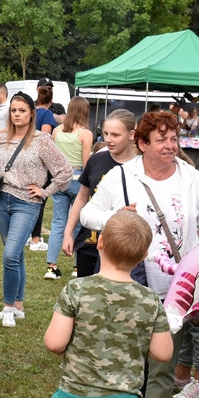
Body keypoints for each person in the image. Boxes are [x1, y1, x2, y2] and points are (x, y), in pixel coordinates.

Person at [80, 110, 199, 398]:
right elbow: (87, 214)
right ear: (141, 143)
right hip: (130, 283)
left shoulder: (190, 177)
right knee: (117, 352)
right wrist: (114, 217)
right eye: (162, 139)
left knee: (163, 360)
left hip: (177, 287)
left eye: (173, 138)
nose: (171, 146)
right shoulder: (121, 176)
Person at [44, 210, 173, 398]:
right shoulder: (149, 299)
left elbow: (54, 343)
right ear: (142, 256)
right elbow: (163, 353)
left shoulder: (77, 290)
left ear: (99, 242)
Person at [0, 93, 72, 326]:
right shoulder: (3, 138)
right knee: (14, 254)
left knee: (9, 254)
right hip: (2, 200)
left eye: (22, 110)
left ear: (31, 113)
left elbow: (64, 171)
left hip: (26, 203)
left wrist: (45, 191)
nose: (16, 114)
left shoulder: (41, 140)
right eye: (13, 110)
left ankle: (7, 307)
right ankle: (18, 305)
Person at [61, 110, 137, 278]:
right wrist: (68, 233)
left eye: (115, 135)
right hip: (89, 245)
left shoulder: (139, 167)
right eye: (105, 133)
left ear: (131, 135)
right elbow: (82, 197)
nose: (108, 139)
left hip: (122, 248)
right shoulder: (96, 160)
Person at [45, 97, 93, 279]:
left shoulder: (56, 132)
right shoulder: (85, 134)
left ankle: (51, 266)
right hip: (79, 179)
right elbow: (87, 162)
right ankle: (77, 266)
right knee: (80, 224)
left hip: (59, 179)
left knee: (58, 222)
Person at [27, 84, 60, 252]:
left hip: (26, 159)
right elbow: (45, 139)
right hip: (40, 162)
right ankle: (35, 238)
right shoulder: (47, 115)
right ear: (51, 100)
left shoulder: (30, 113)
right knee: (39, 199)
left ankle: (27, 234)